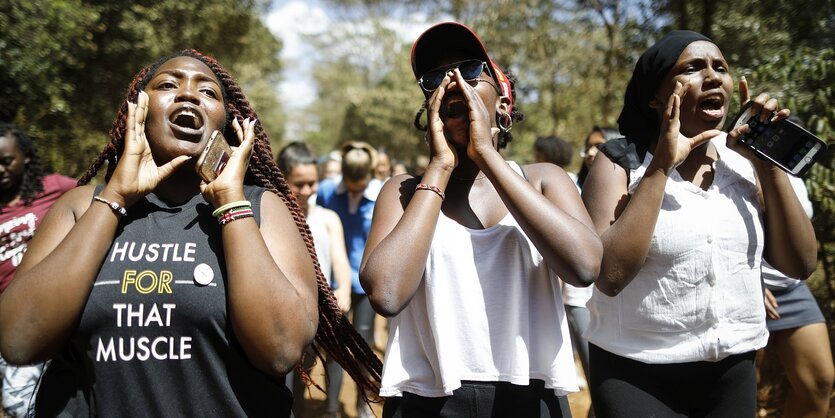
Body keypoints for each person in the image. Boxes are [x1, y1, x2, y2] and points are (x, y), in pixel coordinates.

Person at [0, 50, 381, 417]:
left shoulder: (263, 208)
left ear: (227, 124)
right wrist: (116, 196)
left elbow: (281, 350)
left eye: (208, 91)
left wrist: (231, 203)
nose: (188, 94)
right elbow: (19, 340)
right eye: (168, 85)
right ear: (138, 109)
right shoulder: (82, 206)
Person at [360, 22, 602, 417]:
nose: (453, 81)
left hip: (531, 395)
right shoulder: (403, 191)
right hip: (426, 399)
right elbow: (387, 294)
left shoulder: (543, 179)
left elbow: (584, 266)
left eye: (471, 69)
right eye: (434, 78)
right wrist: (439, 167)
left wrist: (487, 155)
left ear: (503, 103)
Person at [581, 30, 818, 418]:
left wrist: (767, 162)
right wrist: (661, 166)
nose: (712, 76)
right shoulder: (621, 162)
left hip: (733, 369)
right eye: (692, 67)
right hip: (635, 373)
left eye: (720, 68)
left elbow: (801, 264)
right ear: (655, 97)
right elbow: (609, 276)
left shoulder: (744, 164)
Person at [0, 123, 76, 417]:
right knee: (18, 403)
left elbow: (94, 200)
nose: (1, 170)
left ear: (26, 157)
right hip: (10, 316)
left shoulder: (53, 188)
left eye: (7, 161)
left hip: (53, 306)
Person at [760, 118, 833, 418]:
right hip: (749, 289)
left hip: (791, 288)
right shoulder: (736, 168)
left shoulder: (794, 176)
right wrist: (752, 283)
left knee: (819, 383)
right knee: (745, 388)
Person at [277, 141, 353, 417]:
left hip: (327, 305)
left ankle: (331, 410)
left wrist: (343, 289)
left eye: (313, 183)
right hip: (290, 310)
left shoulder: (328, 218)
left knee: (337, 359)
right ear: (283, 179)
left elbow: (340, 259)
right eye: (300, 184)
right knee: (292, 368)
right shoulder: (276, 217)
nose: (308, 191)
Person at [316, 140, 382, 418]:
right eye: (352, 184)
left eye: (362, 185)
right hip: (334, 283)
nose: (357, 189)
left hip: (366, 282)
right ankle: (331, 408)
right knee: (335, 346)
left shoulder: (381, 194)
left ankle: (361, 405)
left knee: (363, 345)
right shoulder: (326, 191)